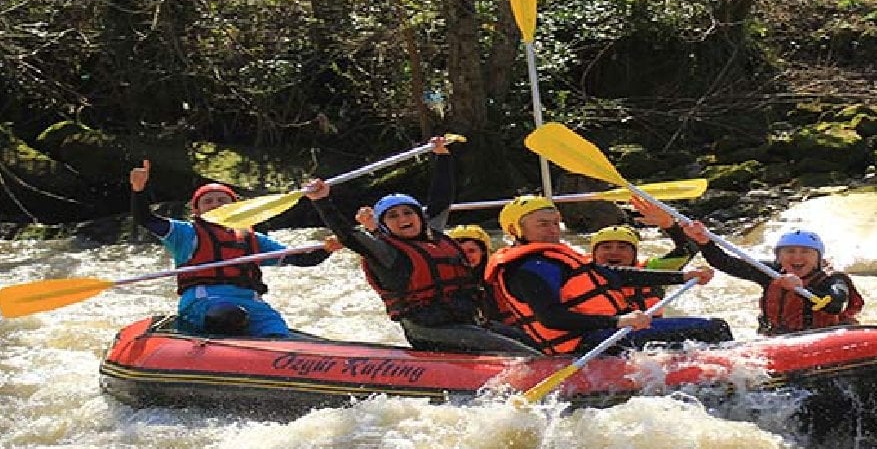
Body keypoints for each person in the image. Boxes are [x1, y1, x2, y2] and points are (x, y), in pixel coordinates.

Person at [304, 137, 537, 354]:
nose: (403, 218)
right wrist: (322, 201)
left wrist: (442, 156)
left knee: (528, 340)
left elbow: (442, 197)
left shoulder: (432, 233)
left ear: (420, 217)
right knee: (514, 351)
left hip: (466, 319)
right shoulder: (386, 251)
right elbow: (348, 235)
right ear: (383, 225)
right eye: (393, 216)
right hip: (428, 329)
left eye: (408, 212)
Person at [483, 195, 733, 356]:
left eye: (555, 222)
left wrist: (682, 276)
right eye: (542, 224)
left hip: (601, 336)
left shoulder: (554, 259)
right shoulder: (528, 268)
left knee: (702, 331)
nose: (553, 230)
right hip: (588, 343)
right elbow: (551, 318)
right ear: (517, 229)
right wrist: (618, 322)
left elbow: (617, 275)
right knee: (715, 329)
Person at [129, 160, 338, 337]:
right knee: (229, 316)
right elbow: (146, 219)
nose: (216, 204)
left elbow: (303, 259)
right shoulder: (185, 234)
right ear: (196, 211)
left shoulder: (253, 239)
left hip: (252, 303)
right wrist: (139, 190)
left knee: (276, 331)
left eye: (222, 200)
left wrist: (327, 248)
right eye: (208, 202)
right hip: (204, 302)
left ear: (236, 206)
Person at [682, 222, 864, 335]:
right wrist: (704, 242)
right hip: (777, 339)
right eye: (789, 251)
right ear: (779, 257)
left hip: (821, 339)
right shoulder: (771, 273)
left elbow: (835, 304)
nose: (797, 257)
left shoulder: (832, 280)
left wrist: (802, 289)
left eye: (805, 252)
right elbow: (724, 262)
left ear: (818, 259)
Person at [589, 196, 701, 312]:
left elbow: (689, 249)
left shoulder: (652, 268)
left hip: (651, 328)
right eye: (606, 247)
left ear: (634, 254)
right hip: (603, 327)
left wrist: (670, 226)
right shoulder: (580, 272)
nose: (614, 252)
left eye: (622, 247)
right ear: (593, 254)